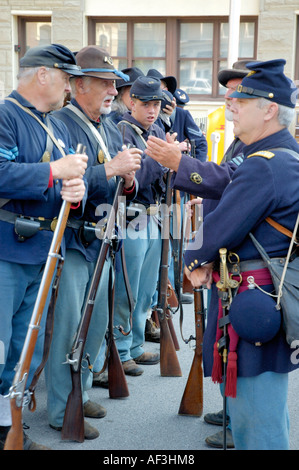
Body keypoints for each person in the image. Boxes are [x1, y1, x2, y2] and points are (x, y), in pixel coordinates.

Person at [183, 59, 299, 450]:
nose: (231, 106)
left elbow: (220, 227)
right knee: (262, 412)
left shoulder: (264, 165)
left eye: (241, 101)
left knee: (257, 425)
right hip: (263, 299)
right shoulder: (282, 157)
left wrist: (193, 261)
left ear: (269, 110)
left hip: (254, 303)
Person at [145, 59, 250, 448]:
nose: (230, 101)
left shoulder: (262, 145)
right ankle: (232, 408)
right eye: (229, 94)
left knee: (236, 341)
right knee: (224, 337)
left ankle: (241, 419)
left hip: (241, 262)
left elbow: (229, 183)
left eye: (238, 93)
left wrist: (181, 164)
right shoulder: (245, 136)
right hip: (228, 257)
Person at [44, 45, 142, 441]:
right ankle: (60, 408)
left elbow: (114, 177)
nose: (111, 89)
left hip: (102, 240)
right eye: (103, 82)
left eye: (113, 83)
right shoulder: (60, 124)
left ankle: (80, 394)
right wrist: (112, 169)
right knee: (69, 326)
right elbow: (70, 185)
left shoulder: (108, 125)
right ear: (78, 84)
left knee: (95, 323)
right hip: (74, 239)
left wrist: (128, 181)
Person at [0, 43, 88, 450]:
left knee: (24, 349)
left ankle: (8, 428)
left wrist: (76, 187)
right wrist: (54, 170)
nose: (70, 87)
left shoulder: (49, 123)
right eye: (67, 77)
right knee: (1, 345)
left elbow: (67, 176)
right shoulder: (6, 115)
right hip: (7, 249)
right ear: (43, 74)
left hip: (40, 248)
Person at [113, 75, 168, 376]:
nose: (152, 110)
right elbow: (139, 174)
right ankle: (120, 350)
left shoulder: (156, 129)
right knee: (127, 289)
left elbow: (156, 172)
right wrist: (163, 160)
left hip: (155, 215)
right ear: (131, 101)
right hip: (131, 217)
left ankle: (134, 344)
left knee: (145, 290)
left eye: (156, 104)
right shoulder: (122, 130)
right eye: (146, 103)